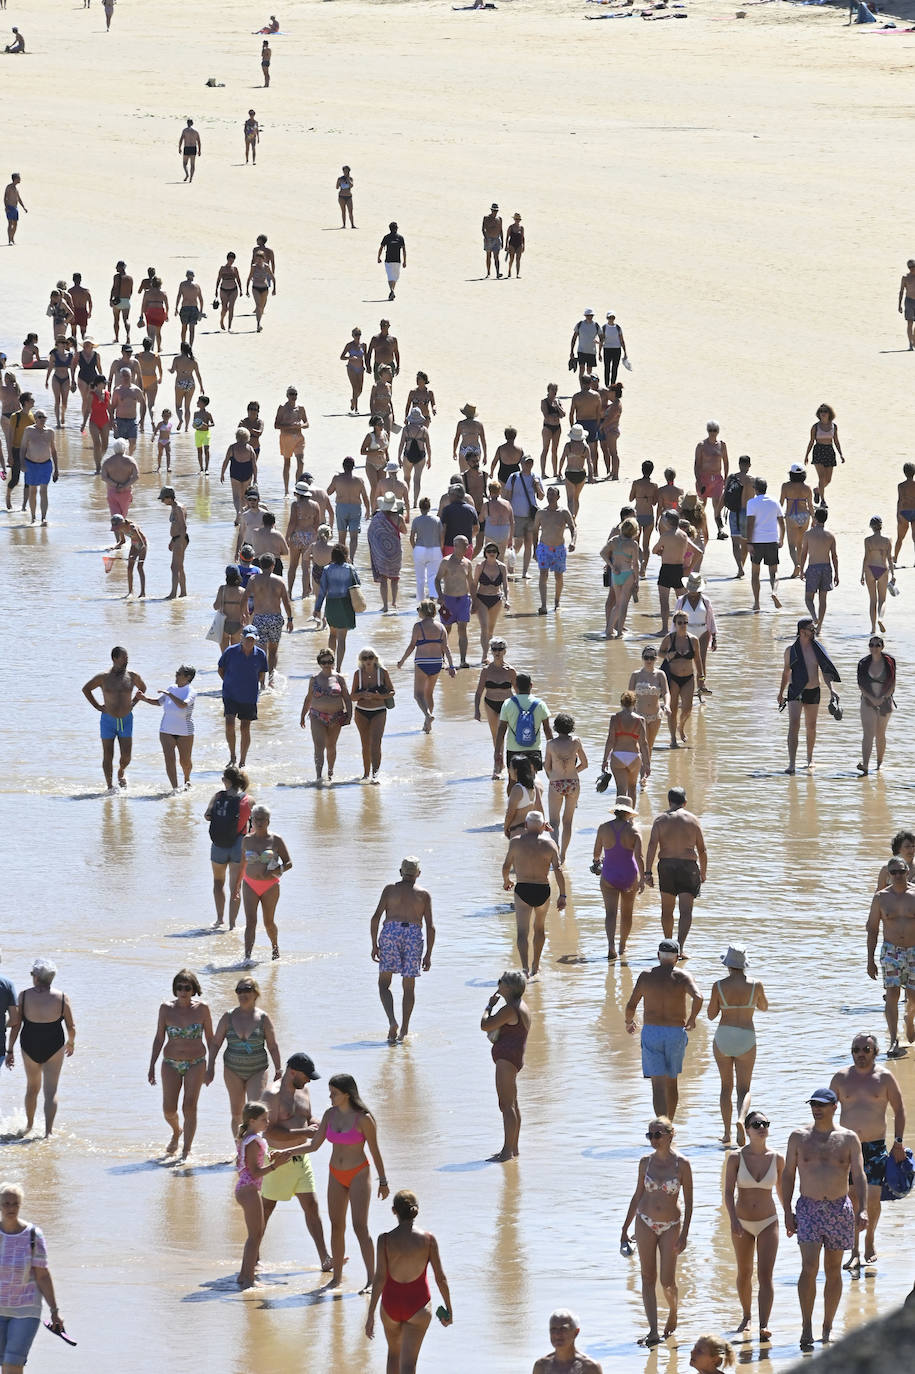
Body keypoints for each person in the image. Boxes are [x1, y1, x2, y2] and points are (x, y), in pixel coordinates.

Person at [782, 1087, 867, 1351]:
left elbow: (860, 1175)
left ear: (834, 1107)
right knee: (808, 1267)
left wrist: (862, 1209)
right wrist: (786, 1210)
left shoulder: (849, 1138)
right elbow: (787, 1174)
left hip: (839, 1209)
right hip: (808, 1208)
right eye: (813, 1104)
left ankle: (827, 1327)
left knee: (833, 1269)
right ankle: (807, 1326)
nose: (816, 1108)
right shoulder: (798, 1137)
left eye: (821, 1104)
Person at [299, 1074, 390, 1292]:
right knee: (336, 1226)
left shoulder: (364, 1119)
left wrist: (383, 1181)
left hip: (359, 1173)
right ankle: (336, 1278)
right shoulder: (329, 1115)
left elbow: (375, 1152)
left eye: (334, 1093)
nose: (330, 1096)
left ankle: (371, 1279)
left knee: (360, 1226)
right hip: (335, 1174)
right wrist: (285, 1152)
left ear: (347, 1094)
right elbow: (313, 1146)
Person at [829, 1033, 906, 1269]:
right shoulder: (841, 1078)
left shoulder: (884, 1078)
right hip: (847, 1147)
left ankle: (870, 1240)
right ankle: (853, 1248)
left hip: (875, 1146)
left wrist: (899, 1142)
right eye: (856, 1049)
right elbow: (826, 1111)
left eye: (866, 1049)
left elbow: (900, 1110)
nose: (860, 1054)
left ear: (875, 1052)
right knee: (851, 1199)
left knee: (872, 1197)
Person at [620, 1116, 693, 1347]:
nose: (653, 1139)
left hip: (671, 1224)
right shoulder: (645, 1162)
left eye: (658, 1134)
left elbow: (690, 1203)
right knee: (647, 1276)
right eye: (650, 1135)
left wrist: (685, 1235)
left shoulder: (682, 1164)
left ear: (671, 1135)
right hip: (644, 1221)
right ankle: (652, 1330)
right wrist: (624, 1228)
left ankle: (673, 1311)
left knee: (667, 1281)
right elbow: (637, 1196)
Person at [257, 1053, 332, 1271]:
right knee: (266, 1210)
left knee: (312, 1206)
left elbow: (308, 1118)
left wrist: (318, 1124)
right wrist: (305, 1132)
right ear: (292, 1072)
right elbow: (268, 1130)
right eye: (306, 1076)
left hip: (301, 1158)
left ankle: (325, 1258)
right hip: (277, 1160)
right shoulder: (271, 1095)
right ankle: (253, 1255)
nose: (308, 1080)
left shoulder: (304, 1090)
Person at [366, 1190, 452, 1368]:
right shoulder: (429, 1240)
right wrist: (449, 1308)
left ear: (394, 1211)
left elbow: (380, 1278)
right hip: (418, 1306)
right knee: (409, 1364)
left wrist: (371, 1314)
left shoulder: (384, 1240)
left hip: (390, 1306)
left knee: (393, 1357)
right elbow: (440, 1278)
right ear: (416, 1210)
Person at [723, 1111, 783, 1341]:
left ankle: (764, 1325)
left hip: (769, 1221)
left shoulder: (777, 1158)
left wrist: (789, 1214)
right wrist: (733, 1220)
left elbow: (782, 1192)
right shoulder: (736, 1158)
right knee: (745, 1272)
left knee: (766, 1275)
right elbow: (728, 1193)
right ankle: (747, 1317)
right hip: (742, 1222)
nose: (762, 1127)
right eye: (756, 1124)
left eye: (765, 1123)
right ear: (747, 1130)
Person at [626, 942, 702, 1120]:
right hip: (675, 1032)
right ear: (677, 957)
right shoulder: (683, 976)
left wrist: (628, 1021)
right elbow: (698, 997)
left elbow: (631, 1004)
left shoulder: (646, 976)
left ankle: (662, 1127)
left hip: (652, 1032)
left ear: (658, 956)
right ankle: (671, 1126)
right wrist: (692, 1019)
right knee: (671, 1082)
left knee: (658, 1085)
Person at [233, 1102, 301, 1289]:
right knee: (255, 1236)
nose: (268, 1122)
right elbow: (254, 1172)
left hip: (245, 1188)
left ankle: (243, 1276)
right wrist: (274, 1166)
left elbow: (246, 1165)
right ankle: (248, 1279)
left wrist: (269, 1159)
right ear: (252, 1120)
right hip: (249, 1189)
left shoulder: (247, 1138)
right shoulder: (253, 1141)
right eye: (264, 1119)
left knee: (255, 1234)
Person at [4, 960, 74, 1139]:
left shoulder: (24, 996)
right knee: (51, 1091)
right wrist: (71, 1043)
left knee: (32, 1088)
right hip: (55, 1044)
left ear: (36, 978)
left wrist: (9, 1050)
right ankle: (48, 1133)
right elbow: (71, 1026)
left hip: (30, 1045)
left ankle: (29, 1126)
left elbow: (16, 1025)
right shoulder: (62, 997)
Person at [147, 969, 213, 1159]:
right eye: (179, 987)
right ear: (174, 989)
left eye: (187, 987)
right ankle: (177, 1131)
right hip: (170, 1063)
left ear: (194, 989)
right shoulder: (166, 1008)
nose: (183, 991)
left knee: (190, 1106)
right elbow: (159, 1038)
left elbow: (211, 1039)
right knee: (169, 1109)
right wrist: (151, 1065)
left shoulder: (202, 1009)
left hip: (196, 1062)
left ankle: (186, 1150)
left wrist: (212, 1067)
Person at [707, 944, 768, 1146]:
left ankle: (726, 1134)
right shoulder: (756, 984)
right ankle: (742, 1120)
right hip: (746, 1036)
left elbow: (710, 1015)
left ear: (728, 965)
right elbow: (764, 1007)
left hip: (724, 1035)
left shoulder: (718, 985)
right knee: (744, 1088)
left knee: (726, 1087)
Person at [0, 1184, 67, 1365]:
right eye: (6, 1203)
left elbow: (42, 1275)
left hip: (26, 1311)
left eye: (15, 1204)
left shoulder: (32, 1235)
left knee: (12, 1363)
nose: (11, 1208)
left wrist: (54, 1311)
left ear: (20, 1205)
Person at [370, 858, 435, 1044]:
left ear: (400, 872)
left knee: (384, 984)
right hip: (413, 934)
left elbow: (375, 918)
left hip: (391, 932)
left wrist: (374, 944)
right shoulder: (424, 895)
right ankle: (404, 1030)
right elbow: (431, 927)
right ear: (418, 874)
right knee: (408, 987)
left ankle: (392, 1021)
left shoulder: (389, 890)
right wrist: (428, 954)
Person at [206, 978, 281, 1139]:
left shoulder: (263, 1018)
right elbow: (215, 1044)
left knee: (255, 1110)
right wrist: (210, 1067)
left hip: (257, 1069)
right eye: (238, 991)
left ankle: (255, 1146)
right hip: (233, 1069)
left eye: (246, 990)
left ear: (255, 992)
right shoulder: (228, 1017)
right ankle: (240, 1149)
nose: (242, 994)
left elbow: (273, 1046)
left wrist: (278, 1069)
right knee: (237, 1112)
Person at [502, 812, 566, 977]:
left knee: (522, 932)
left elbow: (506, 865)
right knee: (539, 929)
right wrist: (563, 895)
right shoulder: (550, 844)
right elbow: (558, 870)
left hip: (523, 888)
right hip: (542, 889)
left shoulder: (515, 843)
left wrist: (507, 880)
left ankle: (524, 968)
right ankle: (536, 965)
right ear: (543, 826)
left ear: (525, 825)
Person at [644, 789, 707, 955]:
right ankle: (680, 947)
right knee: (686, 911)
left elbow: (652, 846)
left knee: (667, 910)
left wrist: (647, 872)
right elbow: (702, 850)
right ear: (685, 802)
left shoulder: (660, 820)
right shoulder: (693, 820)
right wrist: (703, 873)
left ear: (669, 801)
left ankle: (668, 945)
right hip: (688, 867)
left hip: (667, 866)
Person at [777, 617, 840, 774]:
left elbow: (825, 672)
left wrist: (832, 689)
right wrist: (780, 693)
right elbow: (786, 672)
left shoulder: (817, 649)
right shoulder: (790, 651)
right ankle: (791, 763)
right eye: (811, 629)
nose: (814, 632)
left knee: (811, 727)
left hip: (813, 690)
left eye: (814, 629)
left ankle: (810, 758)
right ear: (802, 631)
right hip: (795, 691)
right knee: (794, 725)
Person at [866, 857, 915, 1058]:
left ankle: (909, 1018)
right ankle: (894, 1040)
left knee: (913, 997)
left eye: (901, 871)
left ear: (907, 872)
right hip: (891, 951)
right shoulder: (880, 898)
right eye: (893, 872)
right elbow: (872, 929)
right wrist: (870, 960)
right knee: (892, 994)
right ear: (888, 874)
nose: (897, 876)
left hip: (913, 949)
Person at [81, 645, 146, 793]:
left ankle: (121, 770)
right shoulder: (103, 677)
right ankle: (109, 786)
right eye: (123, 658)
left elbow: (143, 688)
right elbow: (86, 689)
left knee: (126, 756)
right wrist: (97, 706)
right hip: (107, 720)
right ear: (114, 658)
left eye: (127, 658)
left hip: (126, 719)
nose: (126, 660)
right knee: (108, 754)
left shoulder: (132, 676)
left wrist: (134, 703)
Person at [480, 971, 530, 1161]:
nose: (498, 984)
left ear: (508, 987)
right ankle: (513, 1148)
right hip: (513, 1057)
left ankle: (507, 1151)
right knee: (513, 1104)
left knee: (506, 1105)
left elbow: (485, 1025)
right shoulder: (522, 1006)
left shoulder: (510, 1009)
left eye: (501, 981)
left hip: (506, 1059)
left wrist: (488, 1007)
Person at [593, 796, 644, 961]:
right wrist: (643, 878)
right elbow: (640, 857)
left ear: (615, 810)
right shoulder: (634, 831)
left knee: (610, 913)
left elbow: (596, 853)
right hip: (629, 875)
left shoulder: (603, 828)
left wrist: (596, 862)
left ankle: (611, 946)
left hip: (609, 874)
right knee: (627, 913)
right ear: (629, 813)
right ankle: (622, 945)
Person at [240, 805, 291, 962]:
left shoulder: (276, 840)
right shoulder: (246, 840)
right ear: (252, 821)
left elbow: (289, 863)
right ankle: (247, 957)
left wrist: (277, 870)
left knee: (268, 922)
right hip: (249, 884)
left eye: (263, 819)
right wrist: (235, 886)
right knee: (250, 922)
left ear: (268, 821)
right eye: (256, 819)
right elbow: (242, 864)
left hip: (270, 886)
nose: (259, 822)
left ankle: (275, 948)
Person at [204, 765, 252, 930]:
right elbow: (254, 825)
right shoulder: (249, 799)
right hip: (239, 844)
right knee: (236, 887)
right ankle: (232, 925)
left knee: (218, 882)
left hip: (218, 845)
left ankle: (219, 919)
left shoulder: (218, 796)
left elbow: (207, 816)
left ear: (226, 780)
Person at [397, 600, 455, 732]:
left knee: (418, 695)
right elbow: (446, 648)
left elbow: (412, 646)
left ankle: (428, 715)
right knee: (429, 694)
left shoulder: (418, 626)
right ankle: (427, 725)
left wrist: (402, 661)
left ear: (422, 611)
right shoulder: (441, 627)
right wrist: (451, 666)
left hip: (422, 662)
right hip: (436, 663)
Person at [137, 665, 196, 792]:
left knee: (185, 761)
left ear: (188, 677)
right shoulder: (171, 688)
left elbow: (183, 704)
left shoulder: (191, 691)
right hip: (166, 730)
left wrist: (169, 694)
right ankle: (175, 789)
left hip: (185, 732)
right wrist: (144, 699)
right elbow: (159, 702)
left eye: (178, 673)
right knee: (169, 759)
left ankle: (187, 779)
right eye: (176, 672)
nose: (176, 675)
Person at [218, 627, 268, 767]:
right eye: (247, 639)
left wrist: (248, 685)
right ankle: (232, 756)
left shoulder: (261, 655)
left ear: (256, 639)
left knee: (245, 728)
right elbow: (221, 669)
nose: (249, 642)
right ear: (242, 638)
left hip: (249, 696)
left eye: (252, 639)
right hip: (230, 693)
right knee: (229, 723)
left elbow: (261, 675)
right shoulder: (230, 651)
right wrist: (229, 682)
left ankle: (242, 761)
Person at [301, 649, 352, 783]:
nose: (327, 664)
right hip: (317, 715)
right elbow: (308, 698)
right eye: (324, 662)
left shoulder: (339, 678)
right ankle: (318, 776)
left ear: (333, 662)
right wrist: (302, 715)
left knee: (331, 746)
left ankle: (330, 774)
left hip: (336, 717)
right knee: (319, 745)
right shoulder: (314, 679)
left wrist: (349, 715)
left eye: (330, 661)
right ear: (319, 663)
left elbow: (347, 698)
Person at [543, 714, 587, 864]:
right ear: (571, 727)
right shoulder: (576, 742)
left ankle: (554, 854)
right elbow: (585, 764)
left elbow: (546, 766)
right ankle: (563, 856)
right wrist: (573, 772)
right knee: (567, 822)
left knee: (554, 822)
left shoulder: (550, 744)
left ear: (556, 727)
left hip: (556, 783)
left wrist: (553, 776)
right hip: (573, 783)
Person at [473, 638, 516, 777]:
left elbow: (519, 692)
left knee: (505, 735)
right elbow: (479, 692)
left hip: (507, 705)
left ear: (505, 651)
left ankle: (506, 763)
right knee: (496, 736)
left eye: (500, 649)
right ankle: (497, 765)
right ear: (491, 651)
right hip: (490, 703)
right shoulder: (486, 671)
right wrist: (476, 710)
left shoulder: (510, 671)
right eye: (494, 649)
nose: (497, 652)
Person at [350, 647, 394, 782]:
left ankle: (375, 775)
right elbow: (352, 696)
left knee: (376, 743)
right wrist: (362, 694)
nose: (368, 660)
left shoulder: (383, 672)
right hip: (361, 712)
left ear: (375, 659)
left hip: (379, 710)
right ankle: (365, 774)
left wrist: (379, 696)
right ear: (361, 661)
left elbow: (392, 692)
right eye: (364, 658)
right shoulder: (358, 674)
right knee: (365, 744)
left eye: (370, 657)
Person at [533, 487, 576, 615]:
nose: (550, 496)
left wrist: (573, 542)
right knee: (543, 574)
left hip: (559, 549)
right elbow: (535, 531)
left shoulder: (563, 512)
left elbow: (573, 528)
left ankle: (557, 602)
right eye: (548, 494)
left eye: (553, 494)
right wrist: (534, 549)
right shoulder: (540, 513)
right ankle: (543, 605)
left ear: (558, 497)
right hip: (544, 547)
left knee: (558, 576)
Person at [857, 634, 895, 775]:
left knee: (880, 734)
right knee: (868, 734)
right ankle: (865, 765)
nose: (874, 648)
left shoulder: (890, 661)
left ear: (882, 647)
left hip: (885, 701)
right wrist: (872, 699)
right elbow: (860, 684)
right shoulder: (863, 663)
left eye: (877, 645)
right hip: (867, 701)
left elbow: (893, 683)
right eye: (871, 645)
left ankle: (879, 764)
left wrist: (883, 698)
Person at [601, 691, 649, 803]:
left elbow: (610, 741)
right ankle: (631, 819)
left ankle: (620, 818)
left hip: (618, 755)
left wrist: (604, 760)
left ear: (621, 703)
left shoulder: (615, 718)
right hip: (634, 756)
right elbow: (644, 743)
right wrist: (647, 764)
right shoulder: (640, 720)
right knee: (632, 788)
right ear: (634, 703)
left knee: (621, 790)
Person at [745, 478, 784, 611]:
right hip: (772, 540)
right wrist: (781, 539)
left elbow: (750, 524)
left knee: (755, 573)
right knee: (774, 572)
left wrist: (749, 542)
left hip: (757, 542)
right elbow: (781, 523)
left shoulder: (752, 503)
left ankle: (756, 603)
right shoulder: (774, 502)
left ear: (755, 489)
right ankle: (774, 592)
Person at [674, 575, 717, 686]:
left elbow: (711, 619)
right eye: (691, 588)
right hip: (686, 632)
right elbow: (675, 619)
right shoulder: (681, 600)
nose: (693, 591)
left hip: (703, 632)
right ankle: (686, 687)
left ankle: (701, 687)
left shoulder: (706, 601)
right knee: (685, 661)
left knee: (701, 662)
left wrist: (714, 638)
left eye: (695, 589)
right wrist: (673, 637)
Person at [367, 495, 407, 614]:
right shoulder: (399, 518)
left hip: (381, 553)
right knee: (395, 579)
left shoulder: (377, 518)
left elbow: (371, 533)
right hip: (395, 552)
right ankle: (394, 603)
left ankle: (385, 606)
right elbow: (404, 531)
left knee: (383, 579)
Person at [20, 409, 58, 526]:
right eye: (40, 417)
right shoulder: (29, 430)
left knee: (44, 491)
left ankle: (43, 518)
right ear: (35, 418)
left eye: (44, 417)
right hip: (31, 464)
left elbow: (54, 451)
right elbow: (22, 449)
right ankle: (33, 517)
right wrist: (22, 463)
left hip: (46, 464)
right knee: (33, 491)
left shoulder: (50, 432)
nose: (42, 419)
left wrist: (56, 469)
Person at [532, 1311, 603, 1374]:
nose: (557, 1334)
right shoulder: (542, 1366)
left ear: (576, 1332)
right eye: (553, 1329)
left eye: (563, 1329)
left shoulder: (590, 1368)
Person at [804, 403, 844, 504]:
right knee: (821, 477)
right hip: (818, 451)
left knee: (828, 479)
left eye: (825, 411)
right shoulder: (815, 427)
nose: (823, 413)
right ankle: (823, 500)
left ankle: (817, 490)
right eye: (821, 411)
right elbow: (811, 441)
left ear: (829, 413)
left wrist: (841, 454)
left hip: (829, 451)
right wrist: (806, 455)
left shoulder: (834, 426)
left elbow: (836, 441)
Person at [860, 514, 894, 635]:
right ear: (881, 526)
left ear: (871, 527)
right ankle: (881, 618)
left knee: (872, 600)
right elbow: (889, 559)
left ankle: (873, 628)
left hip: (870, 569)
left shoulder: (867, 540)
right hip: (882, 569)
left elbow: (866, 558)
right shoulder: (887, 539)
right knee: (882, 600)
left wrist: (861, 575)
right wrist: (893, 574)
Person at [780, 464, 814, 574]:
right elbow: (810, 506)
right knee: (801, 544)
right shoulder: (807, 488)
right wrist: (814, 518)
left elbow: (781, 503)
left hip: (791, 516)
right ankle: (801, 568)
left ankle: (796, 565)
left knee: (791, 545)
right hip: (805, 516)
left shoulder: (785, 486)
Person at [503, 756, 545, 840]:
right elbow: (540, 808)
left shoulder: (517, 789)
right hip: (531, 830)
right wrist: (543, 825)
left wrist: (505, 829)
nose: (508, 771)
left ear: (516, 770)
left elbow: (510, 813)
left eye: (510, 767)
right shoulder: (533, 787)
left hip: (517, 830)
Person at [409, 496, 443, 600]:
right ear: (429, 507)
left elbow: (411, 538)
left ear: (420, 507)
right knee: (432, 576)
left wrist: (415, 548)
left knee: (420, 578)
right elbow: (441, 536)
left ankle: (420, 601)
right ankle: (432, 599)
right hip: (435, 549)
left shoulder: (416, 520)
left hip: (420, 549)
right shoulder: (437, 520)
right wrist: (440, 549)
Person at [569, 308, 601, 381]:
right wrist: (571, 351)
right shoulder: (580, 324)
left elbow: (602, 337)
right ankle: (582, 387)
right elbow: (574, 338)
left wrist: (598, 342)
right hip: (581, 351)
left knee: (589, 371)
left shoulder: (596, 325)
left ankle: (588, 387)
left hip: (591, 351)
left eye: (591, 315)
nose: (590, 317)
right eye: (588, 315)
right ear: (585, 316)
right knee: (581, 369)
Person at [246, 250, 275, 332]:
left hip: (264, 288)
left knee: (262, 307)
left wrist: (274, 288)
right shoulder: (253, 267)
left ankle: (259, 321)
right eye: (257, 259)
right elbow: (249, 277)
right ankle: (258, 324)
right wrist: (247, 290)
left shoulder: (266, 267)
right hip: (255, 287)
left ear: (263, 259)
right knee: (258, 306)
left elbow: (272, 277)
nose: (258, 261)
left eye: (260, 259)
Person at [893, 461, 915, 563]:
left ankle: (895, 558)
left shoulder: (901, 486)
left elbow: (900, 500)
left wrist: (897, 514)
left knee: (900, 538)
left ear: (904, 473)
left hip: (904, 512)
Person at [378, 221, 406, 301]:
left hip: (389, 260)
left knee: (391, 277)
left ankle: (392, 290)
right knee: (394, 277)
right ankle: (392, 290)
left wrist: (378, 257)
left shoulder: (386, 237)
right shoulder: (400, 238)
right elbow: (404, 250)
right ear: (396, 229)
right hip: (397, 260)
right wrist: (404, 261)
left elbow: (381, 248)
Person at [3, 173, 26, 244]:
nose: (20, 179)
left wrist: (24, 207)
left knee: (15, 224)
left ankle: (12, 238)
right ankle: (9, 240)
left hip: (15, 208)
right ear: (15, 179)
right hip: (9, 207)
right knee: (10, 223)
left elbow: (19, 199)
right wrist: (6, 207)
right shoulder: (9, 187)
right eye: (19, 178)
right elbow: (5, 197)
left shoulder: (16, 189)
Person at [482, 203, 503, 277]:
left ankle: (497, 273)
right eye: (494, 210)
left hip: (497, 239)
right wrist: (486, 237)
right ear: (491, 210)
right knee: (488, 256)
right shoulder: (486, 218)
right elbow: (483, 229)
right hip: (489, 238)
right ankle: (488, 273)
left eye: (496, 211)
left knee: (496, 256)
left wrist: (502, 241)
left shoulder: (499, 218)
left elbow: (501, 230)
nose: (495, 212)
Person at [898, 258, 915, 349]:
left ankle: (914, 340)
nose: (912, 269)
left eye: (913, 266)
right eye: (910, 267)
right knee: (910, 323)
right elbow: (901, 291)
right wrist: (899, 305)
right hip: (909, 301)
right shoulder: (905, 278)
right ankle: (910, 343)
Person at [505, 212, 524, 277]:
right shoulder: (511, 227)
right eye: (516, 219)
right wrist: (506, 245)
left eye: (518, 219)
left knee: (518, 260)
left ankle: (517, 274)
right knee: (511, 259)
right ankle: (509, 271)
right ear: (514, 219)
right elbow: (507, 237)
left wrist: (523, 246)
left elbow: (522, 237)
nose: (517, 220)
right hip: (512, 244)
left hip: (519, 244)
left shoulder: (521, 228)